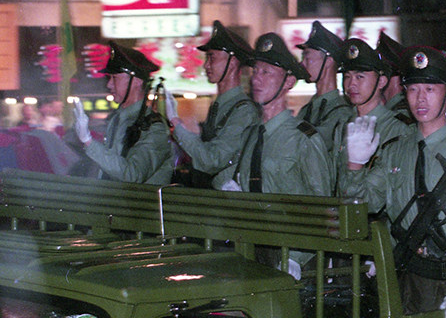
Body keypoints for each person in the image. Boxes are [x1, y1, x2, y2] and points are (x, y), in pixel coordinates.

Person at [339, 46, 446, 318]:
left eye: (430, 89)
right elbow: (366, 204)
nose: (420, 99)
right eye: (413, 89)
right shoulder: (397, 149)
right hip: (403, 276)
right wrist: (355, 167)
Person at [229, 33, 333, 197]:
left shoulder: (303, 138)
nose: (256, 79)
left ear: (289, 82)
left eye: (266, 72)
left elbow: (322, 203)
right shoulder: (250, 135)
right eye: (255, 70)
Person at [165, 20, 260, 189]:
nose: (206, 65)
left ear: (232, 63)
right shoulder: (221, 106)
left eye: (212, 57)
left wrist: (178, 126)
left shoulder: (243, 111)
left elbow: (212, 160)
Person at [72, 41, 174, 185]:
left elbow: (133, 174)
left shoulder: (153, 127)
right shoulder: (117, 118)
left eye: (115, 78)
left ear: (137, 81)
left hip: (142, 205)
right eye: (109, 78)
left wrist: (88, 142)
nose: (109, 85)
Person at [331, 37, 412, 179]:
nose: (351, 84)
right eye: (347, 76)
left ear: (381, 81)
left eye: (360, 77)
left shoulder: (397, 128)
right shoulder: (343, 125)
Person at [295, 21, 348, 154]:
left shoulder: (341, 113)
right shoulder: (307, 109)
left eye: (307, 57)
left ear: (328, 61)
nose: (302, 63)